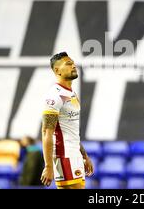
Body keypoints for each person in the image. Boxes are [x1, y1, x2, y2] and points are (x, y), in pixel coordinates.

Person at [40, 52, 94, 189]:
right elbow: (46, 131)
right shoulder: (54, 95)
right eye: (68, 64)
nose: (73, 65)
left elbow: (71, 130)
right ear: (57, 70)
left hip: (74, 154)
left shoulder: (72, 94)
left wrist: (84, 155)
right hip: (64, 155)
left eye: (73, 63)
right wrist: (48, 166)